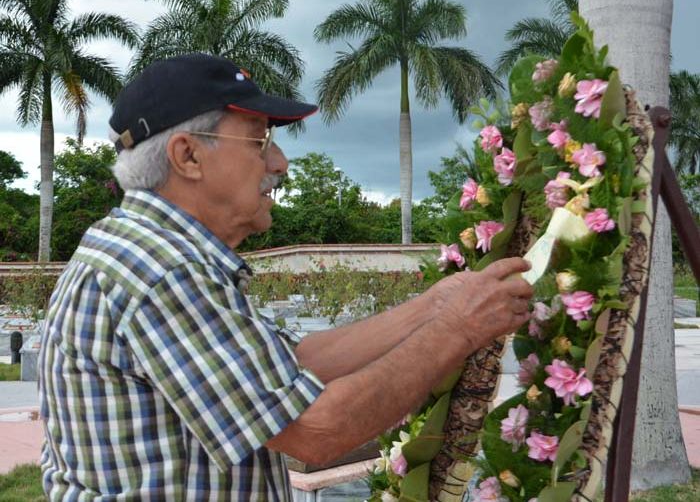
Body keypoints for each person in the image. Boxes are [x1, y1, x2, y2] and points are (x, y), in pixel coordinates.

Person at [37, 53, 533, 501]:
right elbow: (316, 430)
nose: (279, 163)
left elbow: (291, 365)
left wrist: (435, 306)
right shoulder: (164, 269)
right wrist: (459, 330)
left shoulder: (146, 246)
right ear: (188, 156)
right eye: (259, 140)